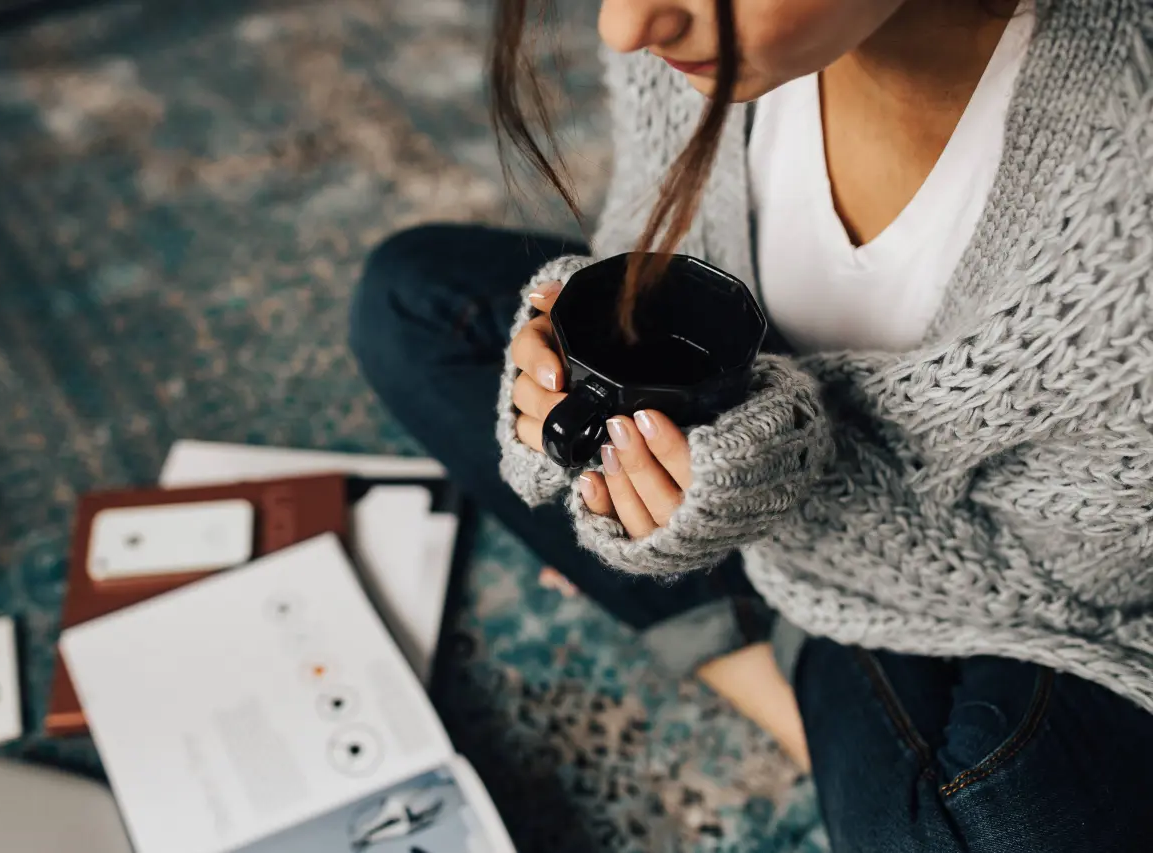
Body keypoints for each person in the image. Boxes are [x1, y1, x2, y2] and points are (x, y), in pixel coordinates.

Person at [351, 0, 1153, 849]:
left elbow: (1081, 586)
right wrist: (579, 378)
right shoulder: (692, 39)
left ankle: (754, 638)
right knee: (407, 300)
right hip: (781, 501)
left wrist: (768, 472)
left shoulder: (1125, 206)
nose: (625, 27)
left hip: (1003, 593)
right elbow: (649, 241)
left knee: (1005, 818)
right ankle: (776, 654)